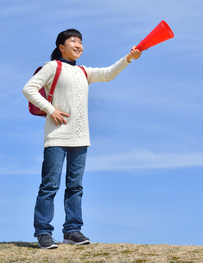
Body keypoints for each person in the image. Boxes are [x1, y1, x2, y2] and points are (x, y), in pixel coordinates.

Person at [22, 29, 142, 249]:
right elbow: (28, 88)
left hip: (81, 137)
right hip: (57, 136)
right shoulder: (53, 67)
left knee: (75, 186)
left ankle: (72, 230)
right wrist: (51, 109)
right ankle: (43, 233)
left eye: (80, 41)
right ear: (61, 47)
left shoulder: (84, 72)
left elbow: (108, 73)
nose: (78, 45)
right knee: (50, 185)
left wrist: (128, 58)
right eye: (73, 41)